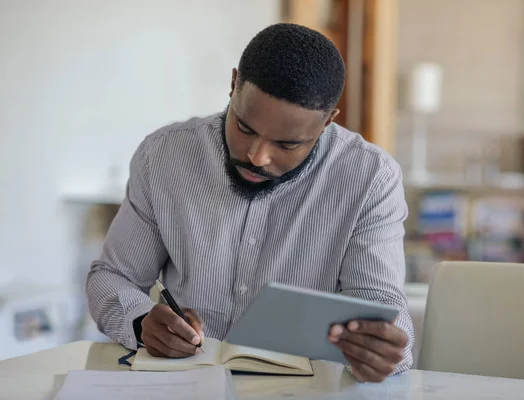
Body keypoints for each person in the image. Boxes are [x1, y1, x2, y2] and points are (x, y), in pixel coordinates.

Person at [87, 22, 414, 383]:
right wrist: (141, 320)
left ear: (327, 123)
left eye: (287, 144)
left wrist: (380, 350)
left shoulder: (370, 179)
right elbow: (113, 277)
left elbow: (381, 310)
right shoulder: (164, 156)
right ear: (232, 85)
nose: (257, 156)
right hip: (184, 386)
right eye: (244, 128)